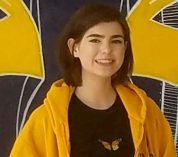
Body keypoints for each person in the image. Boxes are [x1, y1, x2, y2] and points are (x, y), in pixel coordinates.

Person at [10, 3, 176, 157]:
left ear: (125, 48)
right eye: (95, 40)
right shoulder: (47, 120)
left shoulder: (147, 114)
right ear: (74, 48)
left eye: (116, 41)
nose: (106, 50)